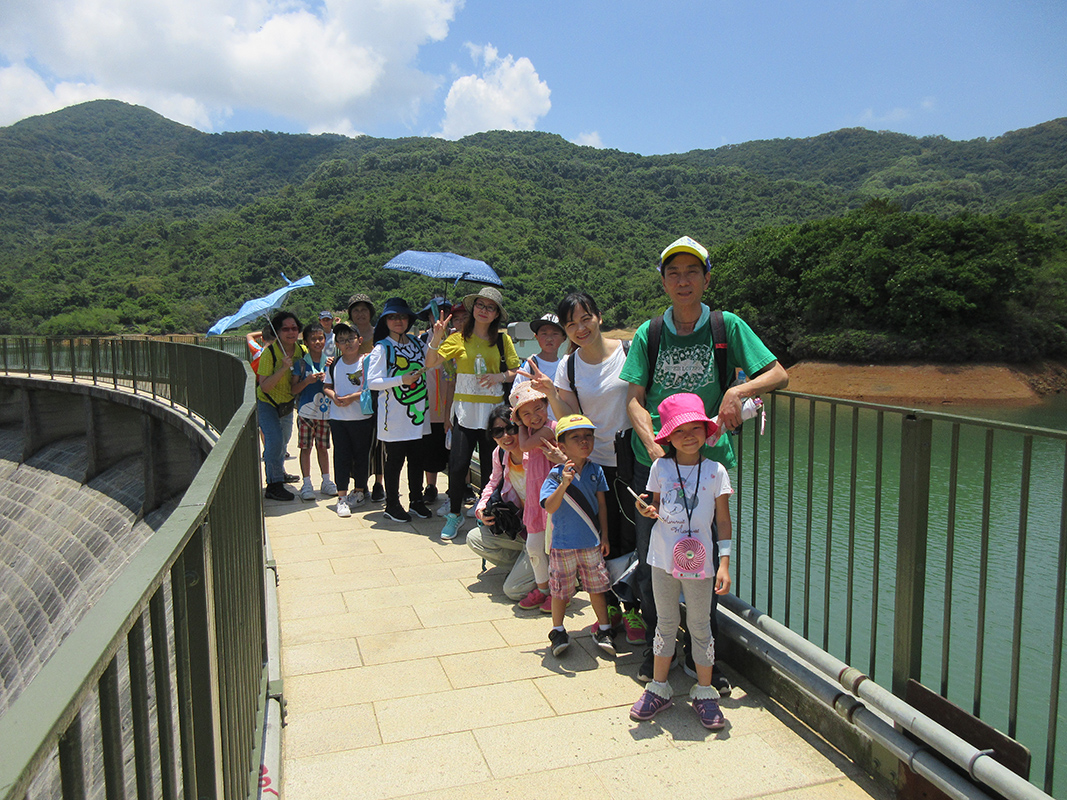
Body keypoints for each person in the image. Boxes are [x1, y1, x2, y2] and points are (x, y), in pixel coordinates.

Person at [622, 234, 789, 691]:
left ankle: (704, 659)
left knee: (705, 559)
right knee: (653, 557)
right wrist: (652, 445)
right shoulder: (648, 334)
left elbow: (778, 372)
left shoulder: (725, 327)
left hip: (708, 466)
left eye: (691, 272)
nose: (683, 281)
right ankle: (661, 650)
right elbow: (634, 401)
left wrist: (738, 391)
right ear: (662, 282)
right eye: (673, 273)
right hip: (655, 467)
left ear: (706, 279)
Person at [521, 292, 644, 645]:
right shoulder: (569, 366)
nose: (580, 328)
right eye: (571, 324)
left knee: (635, 534)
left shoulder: (629, 350)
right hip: (594, 462)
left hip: (633, 457)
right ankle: (616, 609)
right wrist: (550, 392)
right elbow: (571, 421)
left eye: (585, 318)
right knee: (604, 538)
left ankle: (634, 605)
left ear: (599, 317)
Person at [628, 393, 733, 730]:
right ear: (668, 437)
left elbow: (724, 520)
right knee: (665, 622)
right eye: (679, 431)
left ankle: (705, 692)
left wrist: (725, 563)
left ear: (706, 431)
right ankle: (659, 688)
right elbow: (655, 505)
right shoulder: (660, 467)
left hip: (701, 560)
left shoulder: (716, 472)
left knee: (701, 625)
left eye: (695, 428)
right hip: (661, 557)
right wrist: (646, 509)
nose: (689, 436)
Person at [425, 287, 521, 541]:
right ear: (473, 308)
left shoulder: (502, 340)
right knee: (457, 467)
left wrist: (499, 376)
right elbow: (431, 363)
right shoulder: (458, 339)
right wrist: (437, 337)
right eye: (480, 305)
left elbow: (515, 370)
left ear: (496, 314)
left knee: (493, 468)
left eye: (490, 307)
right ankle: (455, 514)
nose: (484, 310)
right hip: (465, 414)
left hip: (493, 416)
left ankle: (488, 513)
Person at [539, 414, 615, 657]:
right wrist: (564, 483)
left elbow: (602, 505)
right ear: (562, 446)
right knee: (560, 590)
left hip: (591, 541)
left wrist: (604, 536)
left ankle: (604, 628)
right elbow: (549, 507)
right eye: (576, 438)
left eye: (588, 436)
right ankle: (558, 629)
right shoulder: (554, 474)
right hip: (563, 543)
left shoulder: (596, 470)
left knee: (597, 587)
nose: (584, 442)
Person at [367, 298, 432, 522]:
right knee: (394, 461)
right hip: (393, 416)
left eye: (402, 316)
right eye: (393, 317)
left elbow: (432, 361)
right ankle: (392, 504)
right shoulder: (382, 348)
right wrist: (400, 379)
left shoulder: (416, 343)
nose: (398, 321)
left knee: (417, 459)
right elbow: (373, 382)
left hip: (418, 413)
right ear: (385, 321)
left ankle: (416, 500)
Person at [466, 404, 538, 600]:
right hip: (519, 528)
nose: (506, 436)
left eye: (511, 429)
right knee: (474, 538)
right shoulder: (499, 453)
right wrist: (481, 508)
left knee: (513, 591)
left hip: (540, 533)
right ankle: (527, 568)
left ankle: (549, 574)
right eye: (498, 432)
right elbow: (492, 482)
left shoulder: (535, 453)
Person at [509, 382, 558, 613]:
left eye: (538, 409)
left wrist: (519, 424)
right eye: (526, 414)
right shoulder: (529, 431)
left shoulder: (551, 428)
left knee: (555, 549)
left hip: (553, 499)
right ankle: (543, 589)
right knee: (534, 547)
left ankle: (560, 593)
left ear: (547, 405)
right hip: (535, 499)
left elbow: (526, 445)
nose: (534, 417)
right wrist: (521, 424)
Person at [323, 323, 374, 517]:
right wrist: (333, 396)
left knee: (362, 456)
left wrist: (352, 397)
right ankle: (342, 497)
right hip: (338, 418)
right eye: (342, 340)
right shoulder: (334, 363)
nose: (347, 344)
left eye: (351, 339)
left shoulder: (367, 361)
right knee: (341, 457)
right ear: (337, 344)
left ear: (359, 340)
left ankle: (360, 491)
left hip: (362, 417)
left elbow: (372, 387)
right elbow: (327, 385)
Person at [257, 311, 306, 501]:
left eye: (294, 328)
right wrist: (284, 368)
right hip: (267, 402)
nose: (291, 332)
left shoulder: (301, 351)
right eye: (285, 329)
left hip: (287, 402)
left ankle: (279, 472)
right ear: (276, 332)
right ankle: (273, 484)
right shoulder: (269, 354)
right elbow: (265, 386)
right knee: (274, 440)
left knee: (284, 439)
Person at [416, 299, 457, 506]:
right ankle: (430, 486)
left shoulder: (458, 338)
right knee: (430, 448)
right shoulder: (423, 341)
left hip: (453, 404)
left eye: (446, 313)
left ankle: (458, 486)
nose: (440, 318)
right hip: (429, 403)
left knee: (455, 449)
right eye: (435, 314)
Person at [291, 321, 336, 500]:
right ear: (306, 342)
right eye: (313, 339)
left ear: (325, 340)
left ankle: (326, 481)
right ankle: (307, 483)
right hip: (305, 414)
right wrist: (307, 381)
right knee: (305, 448)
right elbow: (293, 389)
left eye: (320, 338)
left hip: (325, 414)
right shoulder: (300, 364)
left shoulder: (330, 363)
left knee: (323, 448)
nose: (317, 342)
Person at [348, 293, 386, 502]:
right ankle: (359, 484)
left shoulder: (379, 335)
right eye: (356, 310)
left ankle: (379, 483)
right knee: (358, 440)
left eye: (364, 310)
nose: (360, 314)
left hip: (377, 393)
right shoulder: (346, 335)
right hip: (354, 394)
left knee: (379, 440)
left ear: (370, 312)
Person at [512, 314, 566, 414]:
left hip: (560, 424)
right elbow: (515, 395)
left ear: (564, 338)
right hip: (535, 424)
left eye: (555, 334)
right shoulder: (531, 364)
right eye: (544, 334)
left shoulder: (565, 367)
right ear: (536, 337)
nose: (549, 339)